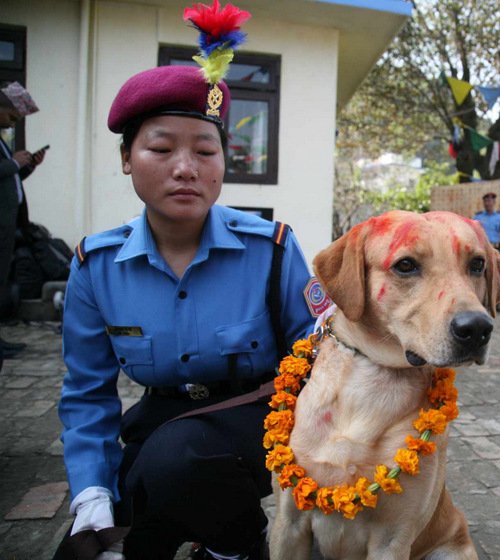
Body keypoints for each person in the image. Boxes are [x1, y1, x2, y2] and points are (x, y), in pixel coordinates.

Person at [55, 4, 320, 559]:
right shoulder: (95, 266)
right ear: (127, 158)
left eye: (205, 150)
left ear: (225, 161)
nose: (186, 167)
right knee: (89, 545)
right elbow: (87, 394)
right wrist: (91, 494)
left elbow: (321, 360)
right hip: (163, 422)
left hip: (260, 425)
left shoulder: (270, 250)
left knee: (177, 459)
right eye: (160, 148)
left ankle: (238, 545)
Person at [0, 81, 46, 360]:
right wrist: (15, 162)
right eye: (12, 117)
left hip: (8, 225)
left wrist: (27, 166)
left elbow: (8, 182)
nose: (12, 124)